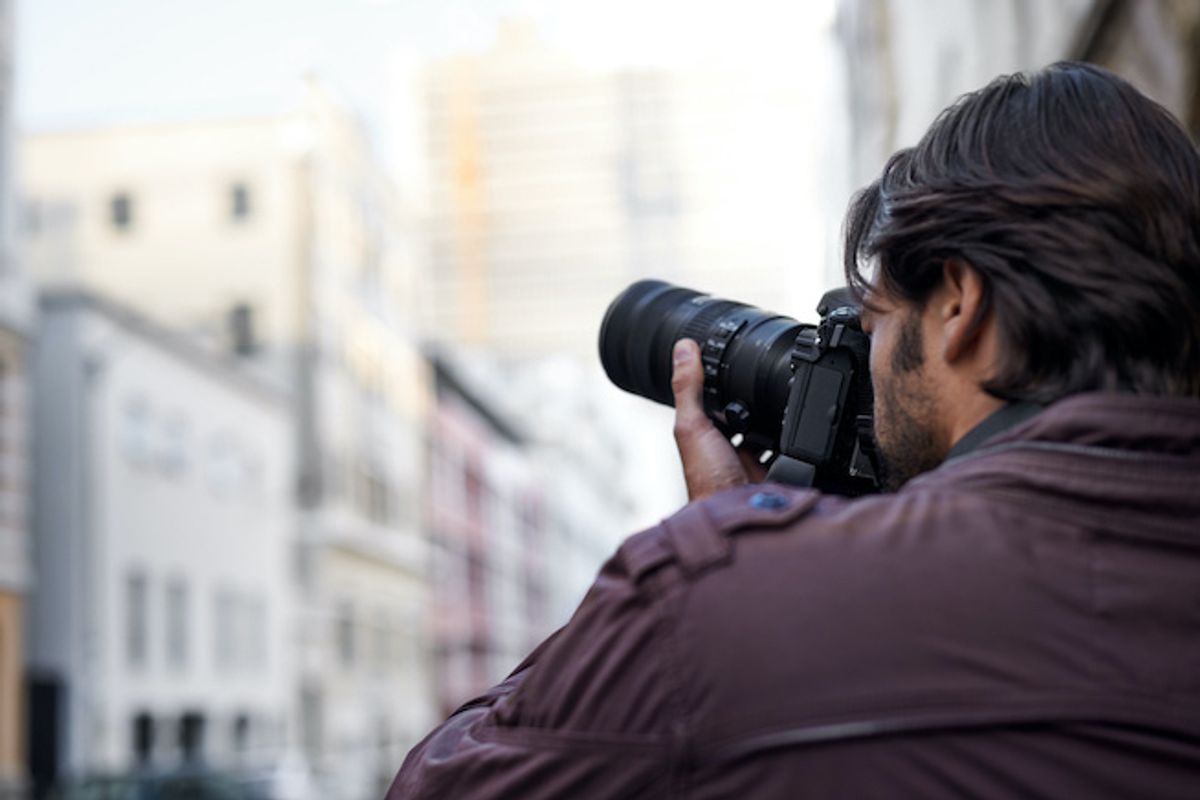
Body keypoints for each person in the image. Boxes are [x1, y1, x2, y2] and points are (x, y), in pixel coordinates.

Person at [386, 62, 1200, 798]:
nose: (866, 368)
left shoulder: (719, 604)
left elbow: (441, 784)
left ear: (959, 304)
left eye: (874, 320)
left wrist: (726, 545)